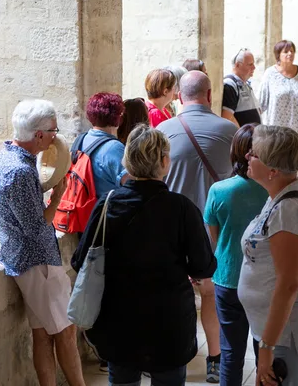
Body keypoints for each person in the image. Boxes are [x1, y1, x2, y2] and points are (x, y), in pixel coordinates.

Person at [71, 125, 217, 386]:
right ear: (163, 161)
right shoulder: (181, 208)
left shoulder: (107, 204)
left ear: (128, 161)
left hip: (118, 318)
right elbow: (203, 266)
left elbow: (80, 260)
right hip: (168, 320)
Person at [0, 100, 86, 386]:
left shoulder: (4, 156)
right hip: (36, 261)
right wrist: (57, 198)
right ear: (39, 135)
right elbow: (36, 227)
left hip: (22, 258)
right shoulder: (18, 170)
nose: (56, 136)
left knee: (42, 333)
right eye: (53, 130)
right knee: (66, 332)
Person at [238, 125, 298, 386]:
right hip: (288, 333)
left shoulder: (288, 211)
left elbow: (289, 284)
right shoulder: (282, 195)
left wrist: (267, 348)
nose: (247, 156)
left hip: (291, 337)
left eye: (254, 154)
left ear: (273, 170)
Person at [157, 71, 238, 382]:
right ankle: (215, 360)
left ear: (179, 97)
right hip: (214, 230)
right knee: (210, 294)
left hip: (172, 230)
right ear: (209, 95)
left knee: (172, 296)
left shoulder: (163, 130)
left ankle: (169, 355)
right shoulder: (229, 132)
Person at [204, 124, 268, 386]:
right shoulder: (272, 190)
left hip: (229, 276)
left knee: (231, 352)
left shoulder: (219, 190)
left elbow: (215, 236)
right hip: (264, 279)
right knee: (265, 349)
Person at [259, 40, 298, 140]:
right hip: (278, 132)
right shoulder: (269, 74)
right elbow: (261, 103)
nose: (290, 53)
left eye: (292, 51)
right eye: (286, 51)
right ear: (278, 55)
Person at [80, 93, 129, 198]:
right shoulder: (114, 148)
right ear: (117, 118)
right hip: (105, 210)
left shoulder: (80, 140)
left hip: (82, 209)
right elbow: (131, 184)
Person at [222, 48, 261, 127]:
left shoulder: (246, 84)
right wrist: (242, 135)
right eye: (250, 64)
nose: (254, 67)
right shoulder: (230, 84)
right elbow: (227, 117)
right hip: (244, 137)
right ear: (237, 65)